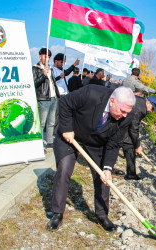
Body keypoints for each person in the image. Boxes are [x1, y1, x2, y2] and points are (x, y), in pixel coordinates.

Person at [46, 85, 136, 232]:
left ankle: (102, 215)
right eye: (122, 111)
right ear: (112, 101)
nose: (125, 115)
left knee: (103, 177)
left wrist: (108, 168)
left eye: (128, 112)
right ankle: (57, 213)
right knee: (64, 169)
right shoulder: (91, 93)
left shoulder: (127, 116)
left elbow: (114, 143)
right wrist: (67, 128)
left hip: (96, 143)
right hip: (71, 134)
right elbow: (64, 102)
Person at [122, 95, 156, 180]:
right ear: (148, 102)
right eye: (152, 108)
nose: (151, 111)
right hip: (120, 122)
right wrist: (137, 146)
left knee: (129, 143)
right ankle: (131, 175)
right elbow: (133, 129)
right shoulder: (141, 109)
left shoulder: (140, 101)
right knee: (129, 145)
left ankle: (131, 173)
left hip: (124, 122)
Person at [32, 48, 59, 149]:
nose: (47, 58)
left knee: (51, 121)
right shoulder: (35, 68)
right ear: (40, 56)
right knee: (42, 122)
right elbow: (35, 83)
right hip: (43, 98)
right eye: (45, 56)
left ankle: (49, 142)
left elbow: (52, 82)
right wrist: (43, 75)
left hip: (53, 97)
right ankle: (38, 143)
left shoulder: (50, 68)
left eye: (48, 57)